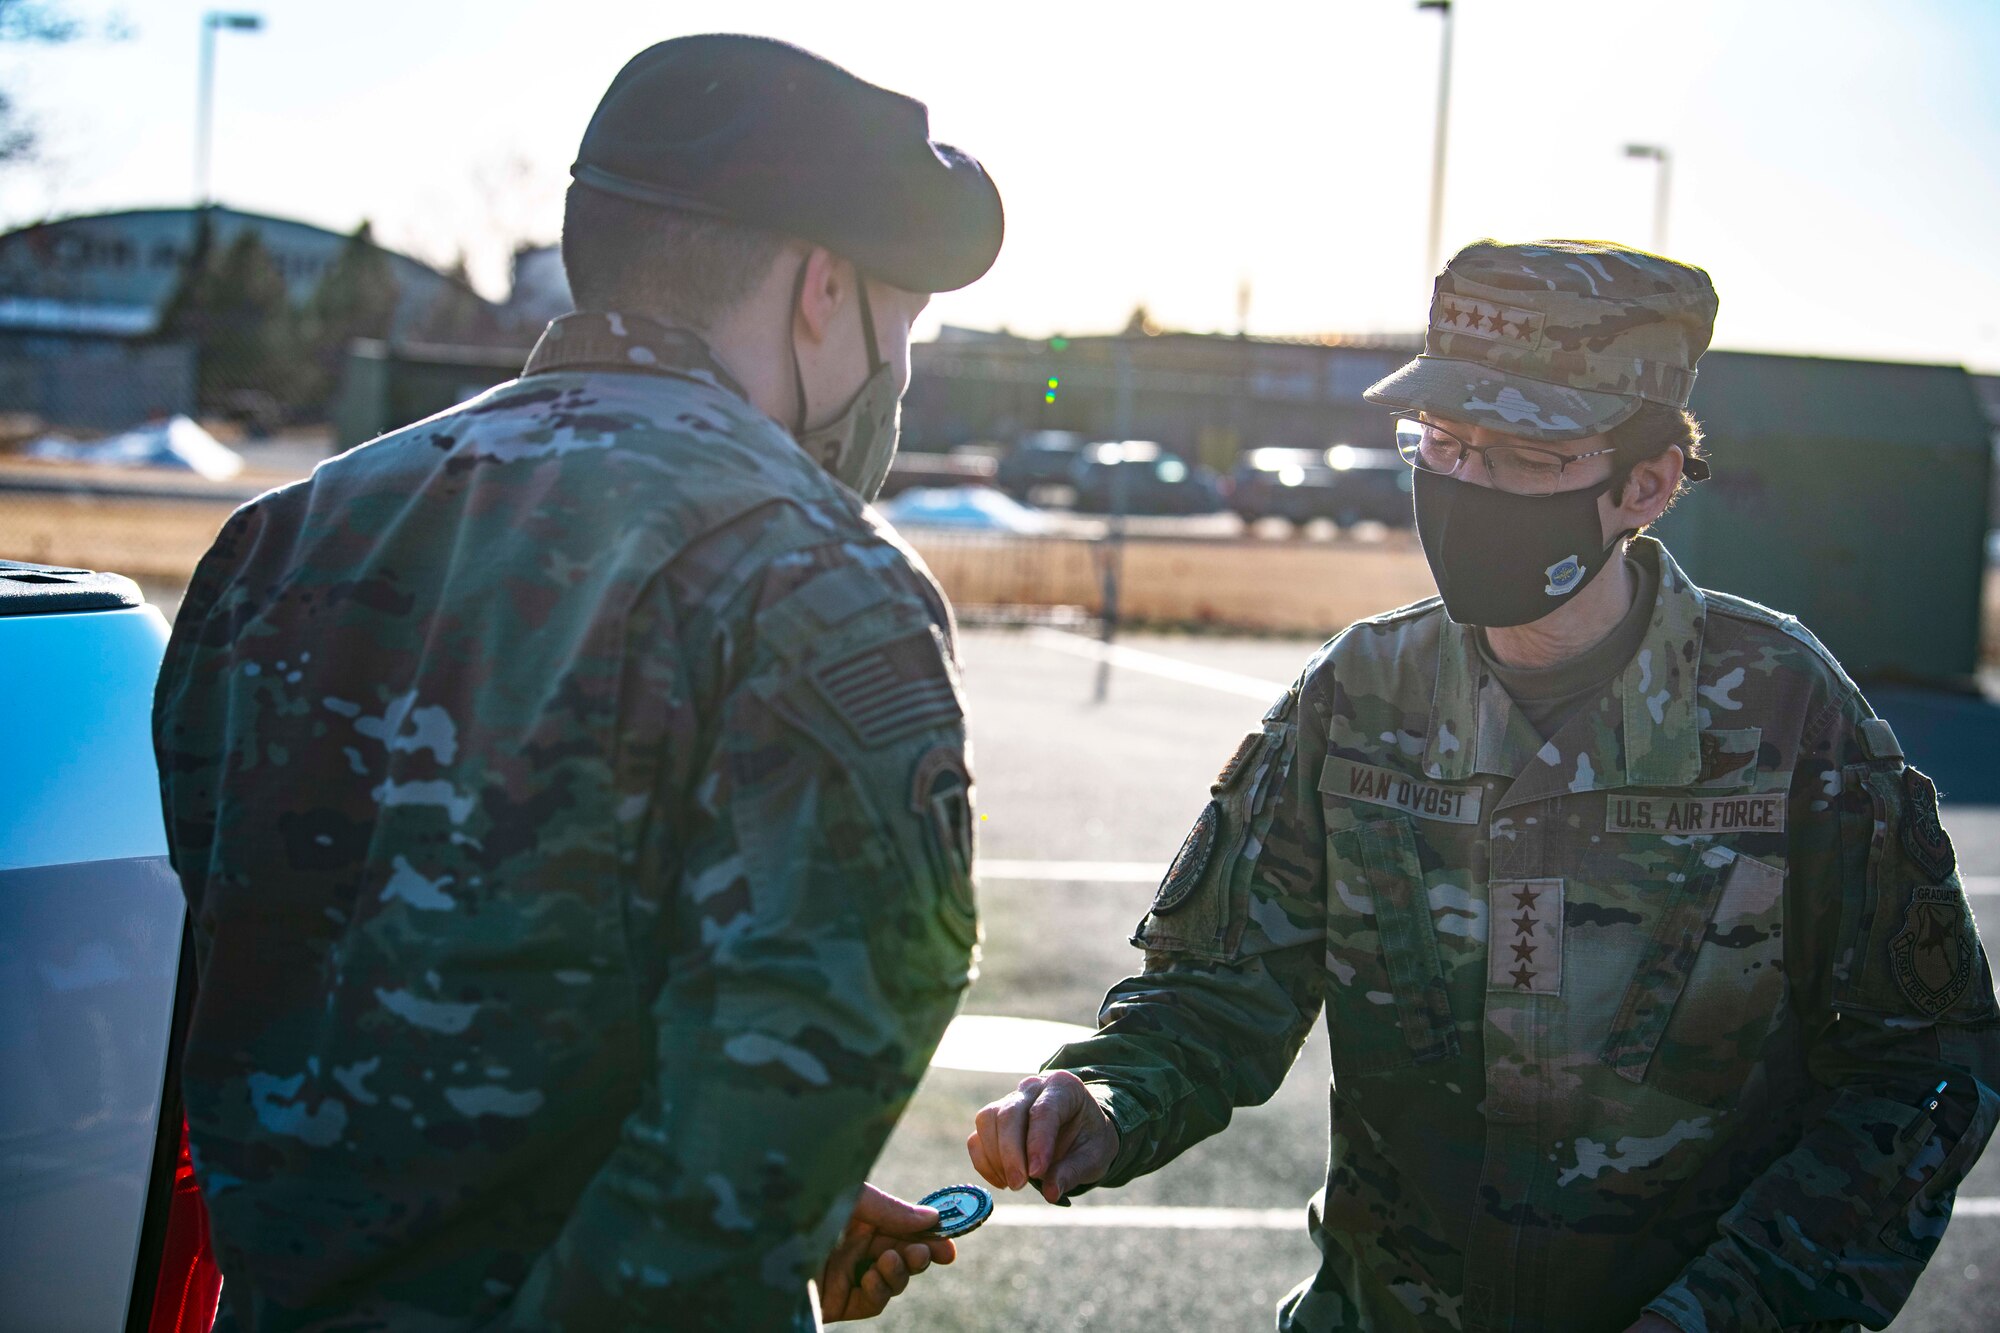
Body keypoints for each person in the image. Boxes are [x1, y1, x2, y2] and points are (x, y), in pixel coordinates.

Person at [969, 239, 2000, 1331]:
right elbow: (1219, 987)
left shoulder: (1787, 714)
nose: (1462, 486)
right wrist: (1106, 1096)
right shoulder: (1360, 690)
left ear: (1642, 484)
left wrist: (1729, 1312)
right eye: (1445, 442)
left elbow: (1918, 1070)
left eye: (1520, 454)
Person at [154, 34, 1002, 1330]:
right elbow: (824, 1028)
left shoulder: (280, 542)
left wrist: (795, 1208)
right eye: (905, 320)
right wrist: (755, 1212)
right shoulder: (817, 582)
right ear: (822, 289)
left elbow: (281, 975)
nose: (898, 370)